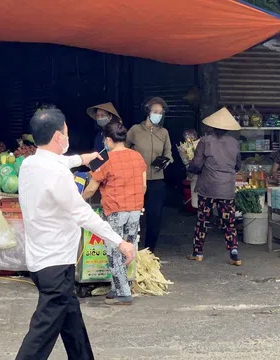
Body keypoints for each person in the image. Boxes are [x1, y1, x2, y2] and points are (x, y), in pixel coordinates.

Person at [16, 108, 135, 360]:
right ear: (59, 136)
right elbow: (83, 214)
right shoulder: (57, 173)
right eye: (67, 132)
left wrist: (84, 158)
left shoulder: (30, 163)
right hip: (56, 264)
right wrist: (120, 242)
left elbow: (62, 161)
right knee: (41, 333)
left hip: (42, 261)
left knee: (71, 322)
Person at [82, 121, 146, 305]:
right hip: (135, 210)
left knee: (113, 250)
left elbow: (91, 189)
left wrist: (78, 201)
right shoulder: (137, 157)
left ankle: (124, 293)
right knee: (128, 249)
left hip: (115, 210)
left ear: (108, 140)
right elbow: (143, 186)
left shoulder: (105, 160)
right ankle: (118, 286)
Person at [186, 108, 242, 266]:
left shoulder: (205, 141)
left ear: (212, 126)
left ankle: (198, 252)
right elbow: (238, 165)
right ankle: (234, 253)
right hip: (227, 189)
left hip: (208, 188)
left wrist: (189, 169)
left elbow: (196, 164)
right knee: (229, 222)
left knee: (202, 220)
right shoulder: (234, 142)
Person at [126, 97, 173, 252]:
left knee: (155, 216)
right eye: (155, 112)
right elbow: (124, 150)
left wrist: (167, 160)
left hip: (157, 180)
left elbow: (169, 152)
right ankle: (130, 248)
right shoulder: (135, 130)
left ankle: (149, 251)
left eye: (160, 112)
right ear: (147, 112)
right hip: (136, 180)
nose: (158, 115)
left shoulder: (164, 132)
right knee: (133, 215)